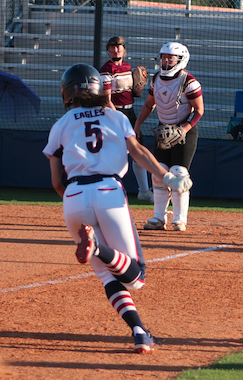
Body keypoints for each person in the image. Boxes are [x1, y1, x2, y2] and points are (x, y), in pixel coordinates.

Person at [43, 63, 192, 354]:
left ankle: (140, 332)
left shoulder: (61, 124)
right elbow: (137, 151)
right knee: (136, 277)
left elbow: (56, 181)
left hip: (73, 196)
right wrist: (167, 177)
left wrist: (74, 198)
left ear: (66, 92)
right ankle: (97, 248)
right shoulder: (114, 115)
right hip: (108, 191)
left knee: (107, 276)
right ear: (99, 88)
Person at [134, 42, 204, 232]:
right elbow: (150, 104)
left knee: (179, 172)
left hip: (184, 131)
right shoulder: (156, 78)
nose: (165, 60)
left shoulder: (189, 81)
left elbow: (199, 110)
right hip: (163, 130)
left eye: (170, 57)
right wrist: (138, 124)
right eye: (163, 57)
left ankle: (180, 220)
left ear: (180, 59)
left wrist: (184, 129)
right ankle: (158, 218)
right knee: (160, 172)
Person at [99, 36, 153, 203]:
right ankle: (107, 190)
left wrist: (139, 88)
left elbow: (134, 95)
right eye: (113, 47)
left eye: (119, 47)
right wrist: (117, 118)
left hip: (130, 113)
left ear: (124, 49)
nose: (116, 50)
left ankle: (143, 191)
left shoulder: (128, 67)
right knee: (115, 153)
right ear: (108, 50)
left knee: (138, 150)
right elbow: (107, 99)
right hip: (114, 114)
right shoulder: (106, 69)